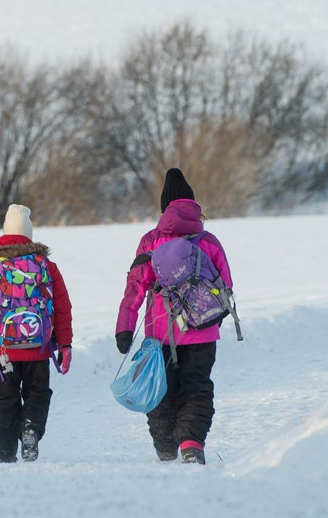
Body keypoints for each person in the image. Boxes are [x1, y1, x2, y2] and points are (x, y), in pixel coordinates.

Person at [115, 168, 233, 465]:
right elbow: (226, 285)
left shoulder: (150, 241)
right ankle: (191, 443)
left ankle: (166, 446)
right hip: (202, 332)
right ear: (193, 206)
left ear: (164, 207)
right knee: (197, 386)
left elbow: (135, 288)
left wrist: (124, 329)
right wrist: (213, 318)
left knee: (159, 388)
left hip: (160, 333)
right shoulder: (209, 241)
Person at [0, 204, 73, 463]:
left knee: (5, 397)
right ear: (29, 234)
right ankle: (30, 428)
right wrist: (66, 344)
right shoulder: (47, 266)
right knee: (38, 392)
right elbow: (62, 306)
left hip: (4, 350)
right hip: (38, 347)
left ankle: (5, 453)